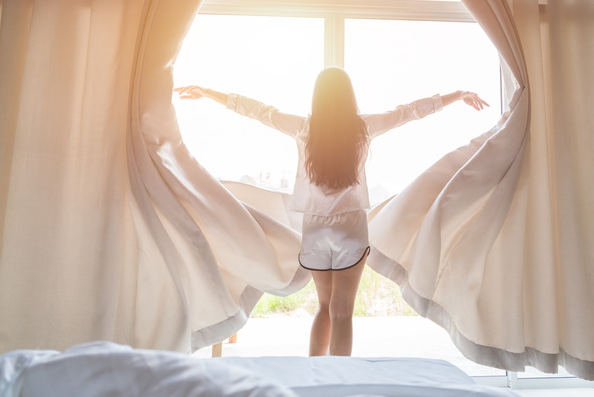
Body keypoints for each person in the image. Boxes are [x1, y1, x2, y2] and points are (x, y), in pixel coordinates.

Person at [174, 67, 489, 356]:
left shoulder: (303, 128)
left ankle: (315, 380)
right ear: (349, 95)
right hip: (351, 229)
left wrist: (208, 92)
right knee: (342, 312)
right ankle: (338, 385)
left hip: (314, 231)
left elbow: (258, 111)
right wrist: (457, 95)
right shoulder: (363, 127)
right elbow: (409, 112)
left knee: (323, 308)